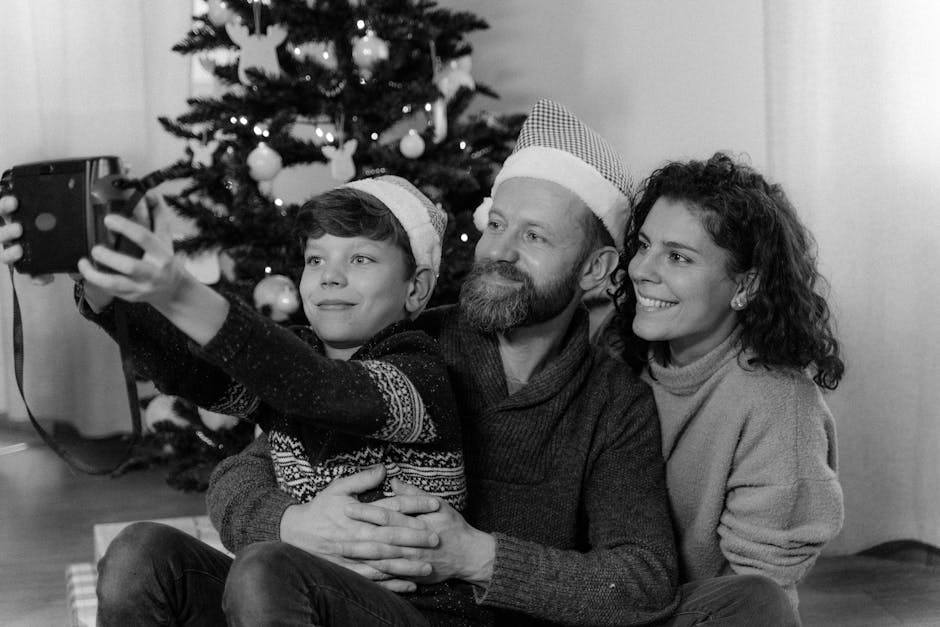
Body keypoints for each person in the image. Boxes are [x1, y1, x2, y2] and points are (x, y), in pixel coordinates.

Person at [0, 101, 795, 625]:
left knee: (754, 605)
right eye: (495, 224)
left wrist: (476, 552)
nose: (497, 252)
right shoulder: (416, 340)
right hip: (343, 595)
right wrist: (292, 518)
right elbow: (248, 458)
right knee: (144, 553)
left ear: (594, 272)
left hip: (457, 613)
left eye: (535, 237)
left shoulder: (611, 401)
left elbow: (643, 575)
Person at [611, 151, 845, 609]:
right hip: (609, 599)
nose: (640, 269)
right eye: (643, 245)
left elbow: (757, 595)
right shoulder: (618, 354)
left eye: (677, 257)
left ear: (745, 286)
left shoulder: (778, 406)